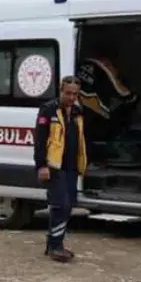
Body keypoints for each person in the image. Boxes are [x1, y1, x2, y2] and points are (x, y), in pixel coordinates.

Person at [33, 76, 87, 262]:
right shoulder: (48, 110)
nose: (72, 97)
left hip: (71, 166)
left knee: (68, 205)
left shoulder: (78, 111)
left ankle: (55, 244)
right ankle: (55, 246)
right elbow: (39, 140)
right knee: (60, 205)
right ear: (61, 91)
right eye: (68, 93)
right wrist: (41, 165)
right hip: (54, 166)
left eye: (75, 94)